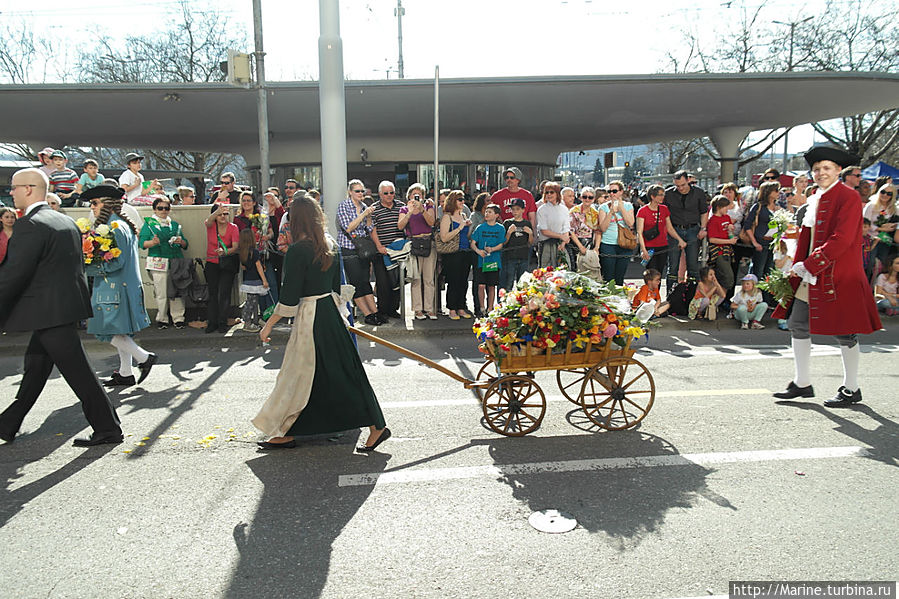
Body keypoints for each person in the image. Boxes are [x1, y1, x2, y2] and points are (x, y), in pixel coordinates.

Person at [253, 197, 390, 452]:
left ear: (295, 220)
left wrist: (268, 325)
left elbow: (289, 297)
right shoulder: (330, 243)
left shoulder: (297, 250)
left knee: (298, 375)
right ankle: (372, 426)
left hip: (311, 317)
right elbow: (337, 289)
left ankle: (286, 429)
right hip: (330, 312)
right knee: (341, 373)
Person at [0, 169, 123, 446]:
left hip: (49, 313)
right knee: (35, 368)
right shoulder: (61, 220)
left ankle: (108, 429)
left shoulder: (30, 224)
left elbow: (13, 274)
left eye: (14, 187)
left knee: (80, 375)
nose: (11, 192)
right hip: (62, 309)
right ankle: (7, 424)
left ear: (29, 189)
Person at [772, 145, 882, 407]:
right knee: (798, 324)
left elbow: (841, 239)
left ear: (838, 170)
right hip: (811, 272)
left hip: (837, 273)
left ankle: (851, 388)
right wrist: (797, 265)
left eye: (827, 169)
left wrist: (811, 264)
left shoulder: (849, 197)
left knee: (845, 333)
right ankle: (802, 383)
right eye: (817, 169)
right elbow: (809, 236)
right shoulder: (815, 196)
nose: (821, 173)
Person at [81, 184, 158, 388]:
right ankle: (126, 372)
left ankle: (144, 358)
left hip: (113, 288)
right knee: (120, 331)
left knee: (106, 330)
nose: (93, 208)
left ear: (107, 204)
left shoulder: (114, 227)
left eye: (95, 203)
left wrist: (88, 268)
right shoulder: (121, 224)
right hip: (121, 286)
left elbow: (116, 261)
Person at [336, 179, 385, 326]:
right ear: (350, 192)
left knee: (365, 281)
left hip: (362, 250)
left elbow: (369, 229)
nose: (360, 194)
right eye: (357, 191)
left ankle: (374, 312)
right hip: (348, 249)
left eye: (362, 191)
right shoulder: (344, 206)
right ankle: (367, 314)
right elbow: (349, 227)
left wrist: (369, 216)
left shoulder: (364, 206)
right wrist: (364, 214)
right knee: (356, 282)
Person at [139, 196, 188, 329]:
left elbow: (185, 243)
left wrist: (181, 241)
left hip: (176, 260)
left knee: (177, 289)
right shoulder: (149, 225)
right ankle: (162, 318)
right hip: (158, 260)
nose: (163, 210)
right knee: (161, 291)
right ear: (154, 209)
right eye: (160, 208)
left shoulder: (175, 225)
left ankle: (178, 317)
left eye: (166, 208)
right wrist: (152, 242)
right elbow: (142, 243)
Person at [664, 170, 709, 292]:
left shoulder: (698, 192)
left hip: (693, 229)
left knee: (693, 265)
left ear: (688, 180)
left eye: (683, 185)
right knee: (672, 266)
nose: (680, 188)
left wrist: (703, 228)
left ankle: (692, 296)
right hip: (675, 229)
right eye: (677, 186)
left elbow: (704, 212)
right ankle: (670, 295)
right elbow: (665, 214)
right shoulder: (668, 194)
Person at [398, 183, 438, 320]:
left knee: (428, 278)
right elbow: (400, 226)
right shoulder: (404, 209)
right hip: (414, 244)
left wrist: (422, 210)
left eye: (419, 194)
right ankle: (417, 309)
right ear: (409, 196)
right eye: (414, 194)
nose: (417, 197)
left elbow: (431, 222)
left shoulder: (428, 207)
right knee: (416, 278)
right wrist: (410, 211)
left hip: (428, 243)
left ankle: (429, 308)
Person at [370, 180, 406, 320]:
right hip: (382, 250)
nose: (389, 195)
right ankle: (383, 310)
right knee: (383, 282)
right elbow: (372, 229)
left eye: (392, 193)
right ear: (380, 194)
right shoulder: (374, 208)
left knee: (397, 281)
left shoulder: (401, 206)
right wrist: (379, 246)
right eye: (386, 193)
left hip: (398, 251)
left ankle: (393, 309)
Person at [204, 203, 240, 334]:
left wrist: (225, 252)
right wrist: (216, 211)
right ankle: (212, 322)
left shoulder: (233, 227)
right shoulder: (211, 226)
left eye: (225, 214)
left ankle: (222, 322)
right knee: (212, 293)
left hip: (227, 263)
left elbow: (235, 246)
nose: (223, 216)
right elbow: (208, 221)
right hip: (212, 262)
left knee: (224, 294)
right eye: (220, 214)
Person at [439, 190, 473, 320]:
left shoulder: (464, 215)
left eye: (463, 199)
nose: (462, 202)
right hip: (453, 253)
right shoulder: (447, 217)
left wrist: (467, 226)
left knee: (463, 282)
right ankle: (452, 308)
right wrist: (459, 228)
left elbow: (467, 235)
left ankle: (461, 307)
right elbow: (444, 237)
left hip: (465, 252)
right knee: (453, 281)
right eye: (460, 199)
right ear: (453, 201)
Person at [637, 184, 684, 276]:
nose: (663, 197)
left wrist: (680, 240)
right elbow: (639, 231)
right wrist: (643, 249)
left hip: (662, 245)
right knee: (652, 274)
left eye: (663, 194)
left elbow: (669, 228)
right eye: (660, 195)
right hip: (649, 247)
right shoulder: (642, 211)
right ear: (652, 196)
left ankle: (656, 291)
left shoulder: (664, 209)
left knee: (659, 273)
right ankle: (650, 290)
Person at [597, 180, 635, 285]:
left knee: (620, 276)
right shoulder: (603, 207)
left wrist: (621, 207)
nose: (612, 194)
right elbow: (603, 228)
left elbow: (630, 223)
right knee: (609, 276)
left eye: (614, 191)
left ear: (621, 192)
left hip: (625, 244)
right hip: (608, 244)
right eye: (609, 191)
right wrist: (611, 212)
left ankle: (619, 299)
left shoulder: (628, 206)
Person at [470, 204, 505, 316]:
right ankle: (482, 307)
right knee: (481, 285)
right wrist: (478, 251)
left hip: (494, 261)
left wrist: (492, 249)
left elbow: (501, 244)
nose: (487, 214)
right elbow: (473, 243)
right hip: (482, 261)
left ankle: (490, 308)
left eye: (490, 212)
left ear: (496, 215)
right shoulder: (480, 228)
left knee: (491, 285)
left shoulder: (500, 228)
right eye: (486, 212)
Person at [744, 181, 780, 282]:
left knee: (769, 273)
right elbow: (747, 225)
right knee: (758, 272)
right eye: (776, 190)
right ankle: (755, 295)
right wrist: (755, 243)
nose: (778, 192)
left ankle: (766, 297)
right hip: (761, 243)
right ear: (768, 192)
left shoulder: (778, 207)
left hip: (773, 244)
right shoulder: (758, 206)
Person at [707, 195, 737, 304]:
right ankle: (715, 301)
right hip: (718, 252)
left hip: (727, 251)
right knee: (728, 278)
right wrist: (729, 242)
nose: (727, 209)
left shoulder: (727, 218)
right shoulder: (713, 221)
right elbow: (712, 239)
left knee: (724, 277)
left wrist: (730, 232)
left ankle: (717, 302)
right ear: (718, 207)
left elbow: (729, 235)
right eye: (725, 207)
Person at [237, 227, 269, 332]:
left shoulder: (242, 253)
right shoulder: (254, 252)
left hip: (247, 281)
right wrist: (264, 280)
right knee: (252, 303)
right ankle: (248, 323)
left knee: (252, 301)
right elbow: (259, 267)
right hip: (255, 281)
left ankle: (254, 321)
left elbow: (243, 267)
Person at [863, 183, 898, 276]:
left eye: (889, 194)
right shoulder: (871, 205)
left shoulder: (894, 209)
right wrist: (881, 228)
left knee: (882, 265)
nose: (885, 195)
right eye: (883, 192)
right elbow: (864, 223)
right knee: (869, 264)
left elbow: (896, 223)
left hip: (885, 240)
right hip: (870, 239)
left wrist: (891, 226)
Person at [501, 198, 534, 291]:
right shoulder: (507, 223)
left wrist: (530, 233)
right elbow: (503, 242)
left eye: (518, 209)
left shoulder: (527, 223)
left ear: (523, 210)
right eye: (513, 209)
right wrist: (508, 233)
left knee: (523, 283)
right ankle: (506, 302)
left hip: (523, 256)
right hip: (510, 257)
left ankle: (520, 303)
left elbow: (530, 243)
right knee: (509, 282)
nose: (515, 211)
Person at [535, 181, 570, 268]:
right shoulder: (542, 210)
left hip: (561, 246)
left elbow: (566, 228)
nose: (549, 195)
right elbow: (544, 231)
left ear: (557, 193)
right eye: (546, 192)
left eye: (552, 192)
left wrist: (563, 243)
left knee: (563, 272)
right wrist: (561, 236)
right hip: (546, 245)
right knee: (546, 272)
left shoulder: (564, 209)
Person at [568, 186, 599, 268]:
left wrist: (596, 247)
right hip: (575, 243)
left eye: (590, 197)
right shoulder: (574, 211)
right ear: (581, 197)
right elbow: (571, 231)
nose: (587, 199)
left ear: (594, 199)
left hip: (589, 243)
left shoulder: (595, 213)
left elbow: (598, 231)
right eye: (585, 197)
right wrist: (580, 247)